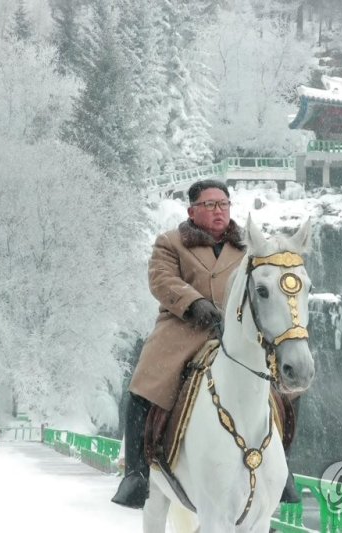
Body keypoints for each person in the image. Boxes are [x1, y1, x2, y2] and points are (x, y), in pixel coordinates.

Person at [111, 179, 301, 509]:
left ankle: (281, 470)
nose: (218, 211)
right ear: (192, 211)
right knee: (144, 388)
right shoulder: (170, 243)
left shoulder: (248, 247)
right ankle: (136, 475)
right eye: (210, 205)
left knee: (289, 388)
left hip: (236, 333)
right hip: (183, 328)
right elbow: (162, 279)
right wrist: (195, 303)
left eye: (223, 204)